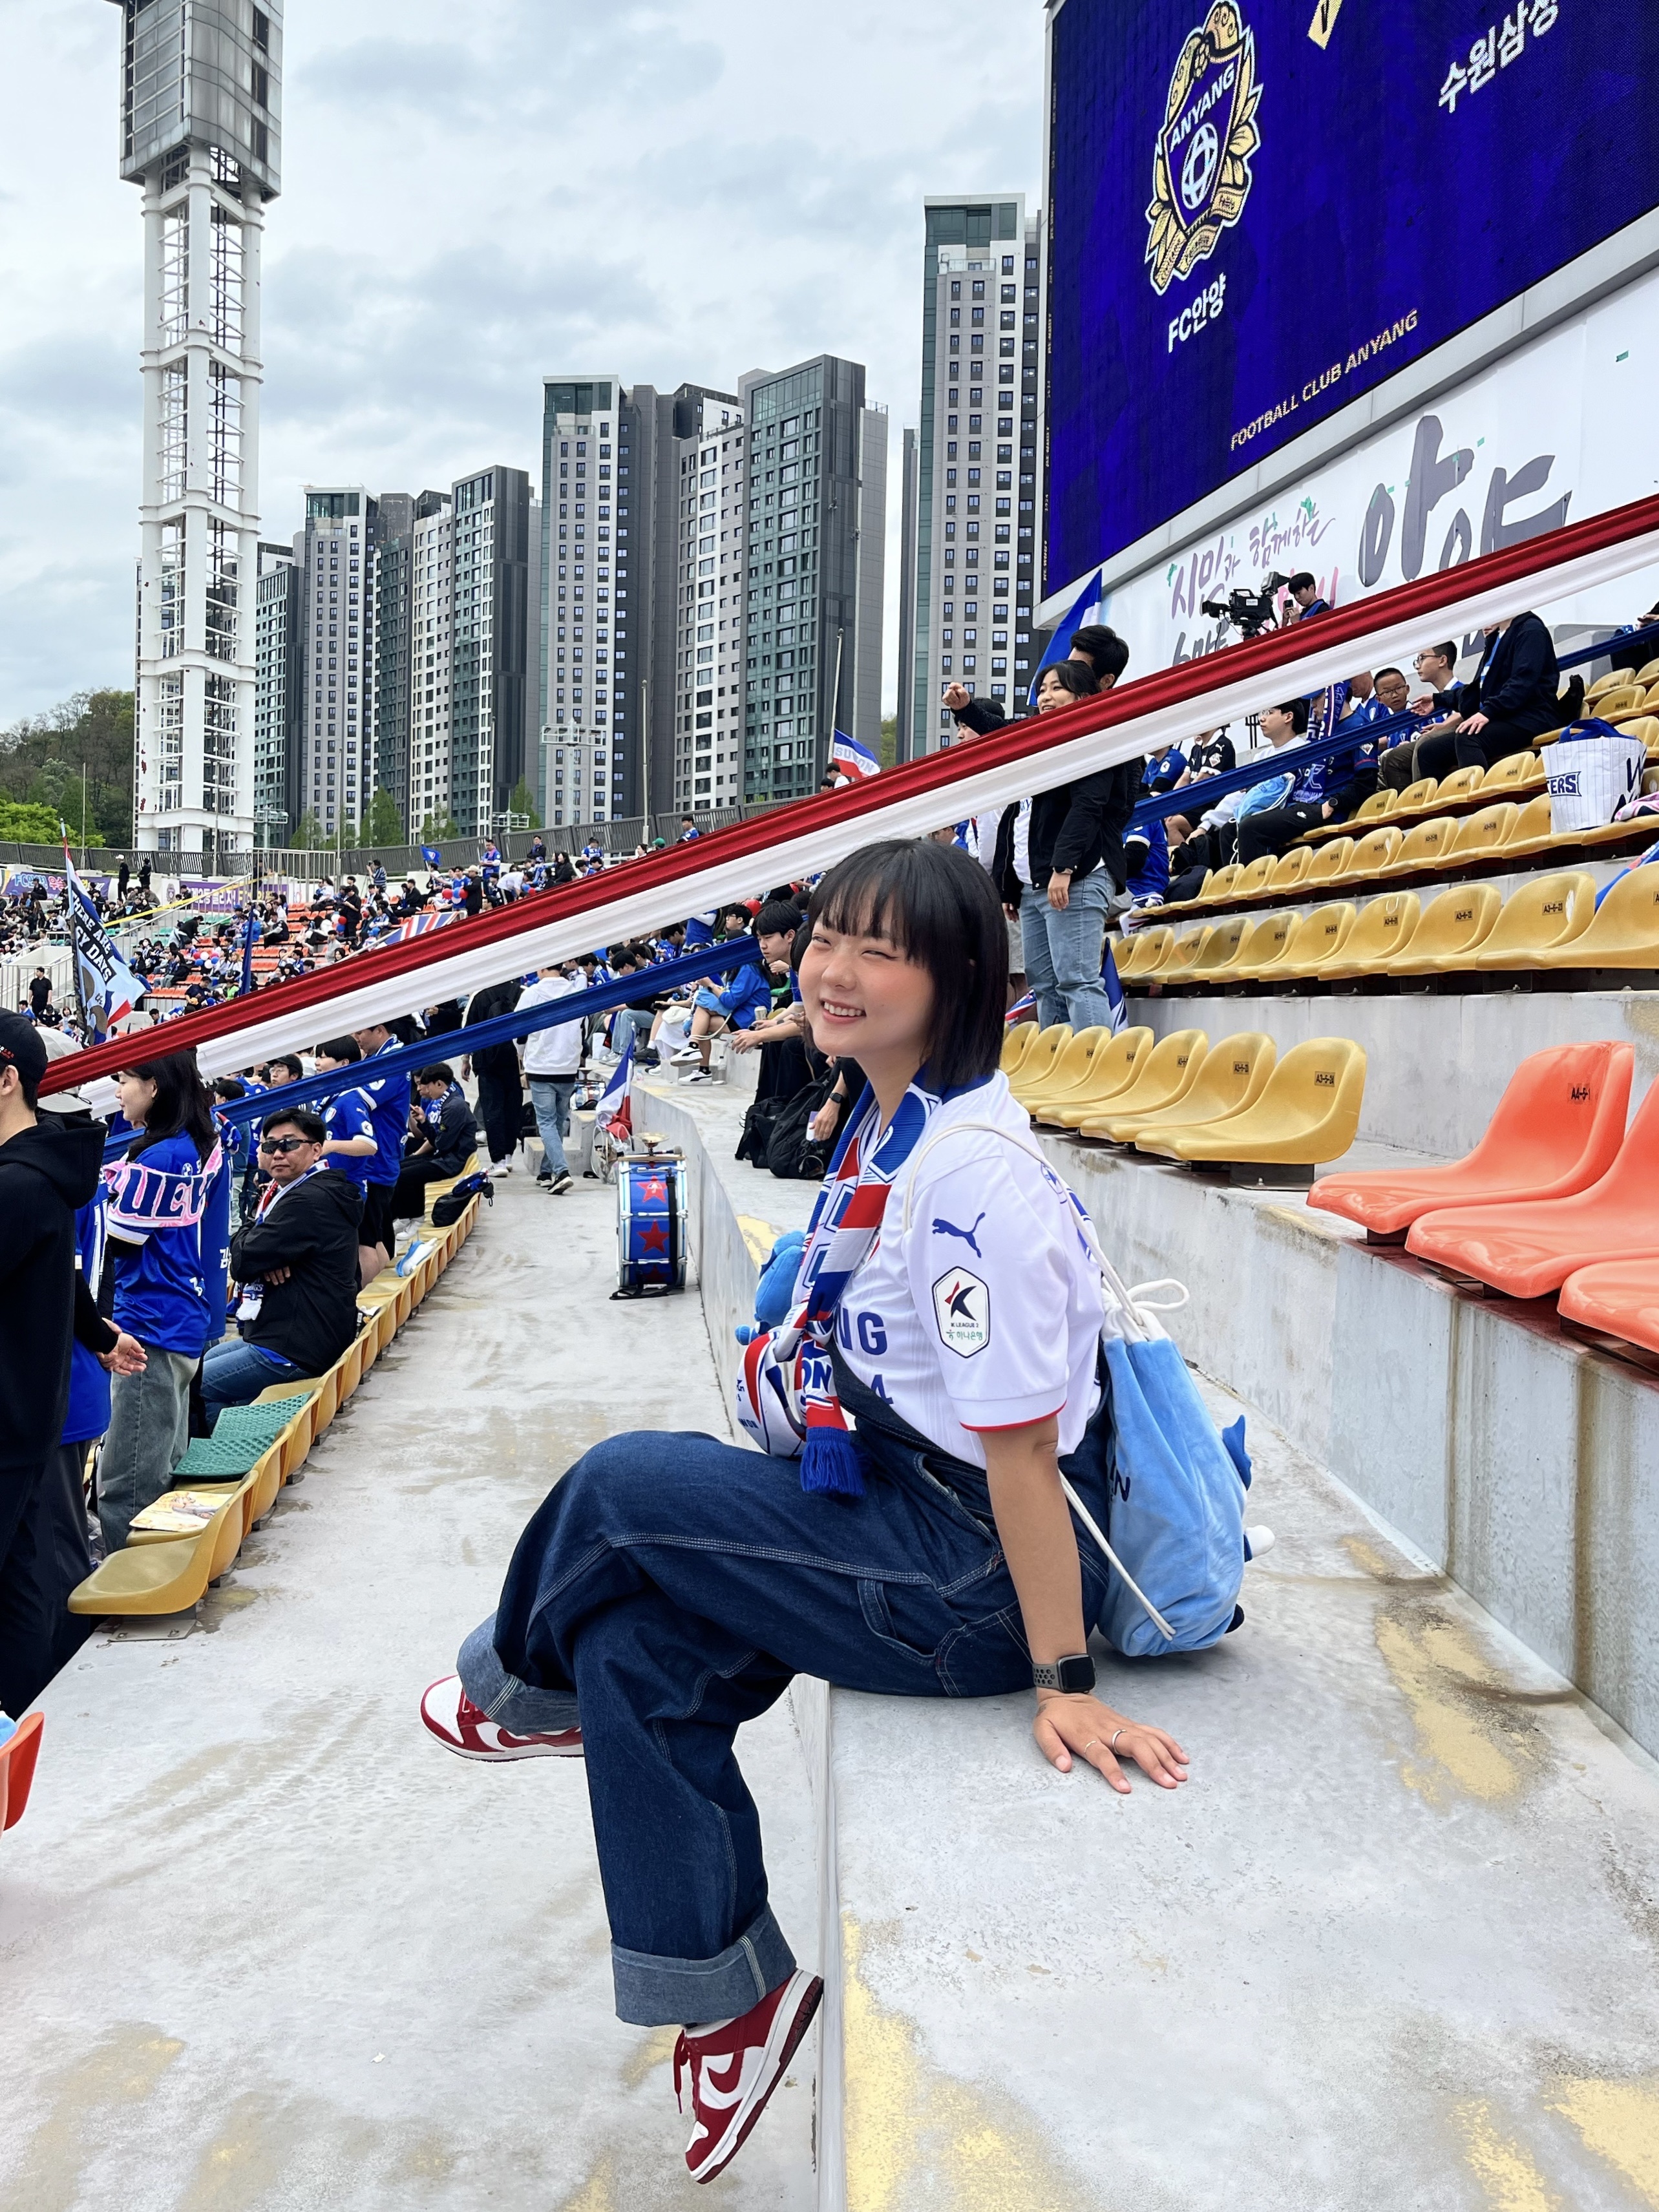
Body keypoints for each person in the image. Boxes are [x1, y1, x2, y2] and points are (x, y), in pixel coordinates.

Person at [417, 839, 1189, 2186]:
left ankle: (511, 1688)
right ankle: (729, 1995)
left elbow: (1016, 1453)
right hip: (885, 1499)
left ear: (955, 977)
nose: (827, 970)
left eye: (873, 949)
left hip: (959, 1574)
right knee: (633, 1651)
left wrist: (1061, 1675)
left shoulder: (967, 1181)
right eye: (824, 936)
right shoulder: (895, 1123)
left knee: (617, 1488)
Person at [0, 1016, 144, 1714]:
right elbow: (58, 1275)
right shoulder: (38, 1175)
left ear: (7, 1082)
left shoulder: (16, 1187)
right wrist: (98, 1332)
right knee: (26, 1578)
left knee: (26, 1583)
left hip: (8, 1420)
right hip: (28, 1414)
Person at [100, 1051, 229, 1550]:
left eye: (123, 1080)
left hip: (150, 1324)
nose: (116, 1092)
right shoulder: (188, 1144)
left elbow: (118, 1237)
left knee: (129, 1477)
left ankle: (127, 1578)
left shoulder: (160, 1156)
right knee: (163, 1457)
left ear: (153, 1087)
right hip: (177, 1314)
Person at [990, 660, 1139, 1031]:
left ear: (1083, 696)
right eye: (1042, 690)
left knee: (1077, 980)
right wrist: (1010, 886)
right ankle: (1059, 1069)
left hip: (1076, 878)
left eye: (1057, 688)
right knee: (1044, 986)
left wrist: (1065, 868)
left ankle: (1094, 1070)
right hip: (1032, 886)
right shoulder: (1037, 747)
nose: (1045, 697)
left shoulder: (1093, 742)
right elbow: (1018, 821)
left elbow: (1088, 810)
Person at [200, 1106, 365, 1424]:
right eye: (269, 1146)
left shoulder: (307, 1201)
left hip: (295, 1345)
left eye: (289, 1144)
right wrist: (259, 1251)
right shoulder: (294, 1192)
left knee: (193, 1386)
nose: (277, 1153)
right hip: (298, 1332)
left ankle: (222, 1460)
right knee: (205, 1361)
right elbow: (250, 1248)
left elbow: (244, 1260)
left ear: (317, 1150)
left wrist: (255, 1252)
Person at [1234, 693, 1379, 865]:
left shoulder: (1358, 726)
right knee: (1231, 829)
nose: (1313, 706)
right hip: (1304, 803)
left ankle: (1255, 889)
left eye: (1317, 699)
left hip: (1326, 806)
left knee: (1251, 827)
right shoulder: (1323, 731)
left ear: (1335, 695)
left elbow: (1366, 782)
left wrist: (1334, 803)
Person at [1412, 613, 1560, 775]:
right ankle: (1449, 801)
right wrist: (1439, 699)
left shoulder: (1530, 630)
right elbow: (1478, 692)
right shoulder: (1496, 638)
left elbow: (1522, 684)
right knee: (1428, 751)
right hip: (1505, 717)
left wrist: (1488, 712)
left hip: (1532, 718)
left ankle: (1479, 798)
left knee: (1468, 737)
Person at [353, 1020, 413, 1285]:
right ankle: (378, 1297)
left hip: (377, 1161)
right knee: (376, 1233)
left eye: (360, 1031)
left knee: (367, 1238)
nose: (356, 1038)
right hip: (379, 1157)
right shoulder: (382, 1055)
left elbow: (363, 1097)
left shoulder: (393, 1059)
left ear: (379, 1029)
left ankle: (369, 1300)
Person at [519, 962, 585, 1196]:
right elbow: (581, 1027)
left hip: (542, 1065)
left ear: (541, 969)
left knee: (546, 1122)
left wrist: (521, 1059)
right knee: (558, 1121)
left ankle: (562, 1171)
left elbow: (519, 1031)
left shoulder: (533, 993)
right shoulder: (575, 991)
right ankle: (546, 1172)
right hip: (568, 1065)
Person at [391, 1065, 478, 1218]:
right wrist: (423, 1121)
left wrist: (426, 1127)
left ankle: (414, 1217)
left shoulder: (454, 1107)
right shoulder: (446, 1102)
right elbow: (439, 1141)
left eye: (427, 1085)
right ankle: (401, 1216)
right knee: (398, 1167)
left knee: (405, 1176)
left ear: (439, 1084)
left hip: (451, 1162)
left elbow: (442, 1145)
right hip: (443, 1156)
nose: (423, 1090)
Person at [461, 978, 525, 1175]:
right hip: (515, 1061)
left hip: (487, 1061)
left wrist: (466, 1059)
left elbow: (469, 1030)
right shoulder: (523, 992)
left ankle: (498, 1161)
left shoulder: (479, 996)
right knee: (512, 1108)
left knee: (492, 1110)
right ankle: (508, 1156)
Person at [311, 1037, 378, 1198]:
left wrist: (331, 1146)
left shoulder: (350, 1099)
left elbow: (369, 1145)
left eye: (323, 1057)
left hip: (345, 1188)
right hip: (326, 1183)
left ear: (344, 1063)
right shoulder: (329, 1097)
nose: (317, 1063)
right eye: (317, 1057)